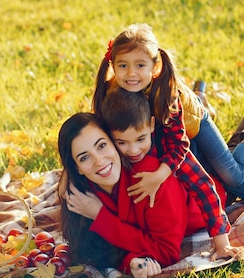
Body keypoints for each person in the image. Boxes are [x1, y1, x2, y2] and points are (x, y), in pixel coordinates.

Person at [58, 112, 236, 278]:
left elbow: (165, 252)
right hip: (171, 154)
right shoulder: (84, 195)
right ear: (77, 168)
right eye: (84, 158)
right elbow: (103, 251)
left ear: (113, 142)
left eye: (102, 145)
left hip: (216, 181)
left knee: (236, 167)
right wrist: (132, 262)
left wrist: (100, 217)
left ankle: (199, 101)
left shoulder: (150, 178)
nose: (99, 161)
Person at [92, 23, 244, 206]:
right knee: (211, 170)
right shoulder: (112, 92)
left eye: (140, 65)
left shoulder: (166, 96)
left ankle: (206, 107)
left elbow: (178, 144)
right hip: (168, 127)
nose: (131, 73)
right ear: (113, 66)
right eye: (123, 65)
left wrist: (159, 175)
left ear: (155, 67)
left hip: (193, 121)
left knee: (233, 180)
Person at [101, 87, 239, 259]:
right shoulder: (111, 154)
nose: (133, 150)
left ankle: (199, 102)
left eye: (141, 139)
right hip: (184, 152)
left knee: (235, 170)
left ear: (151, 125)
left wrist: (222, 244)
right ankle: (200, 98)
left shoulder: (170, 154)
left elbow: (204, 188)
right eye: (122, 142)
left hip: (212, 194)